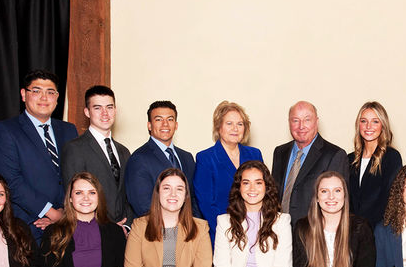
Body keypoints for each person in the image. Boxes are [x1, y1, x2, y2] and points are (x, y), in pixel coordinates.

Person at [0, 69, 78, 242]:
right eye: (36, 91)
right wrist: (51, 213)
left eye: (50, 92)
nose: (44, 98)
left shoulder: (69, 130)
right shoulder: (6, 130)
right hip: (29, 225)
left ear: (57, 97)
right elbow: (10, 181)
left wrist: (66, 213)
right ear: (24, 95)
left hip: (68, 223)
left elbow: (75, 175)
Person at [61, 85, 133, 228]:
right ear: (87, 112)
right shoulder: (74, 148)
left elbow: (128, 195)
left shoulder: (124, 152)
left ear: (115, 110)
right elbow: (74, 196)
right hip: (91, 230)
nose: (105, 113)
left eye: (109, 107)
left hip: (123, 233)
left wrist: (126, 225)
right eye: (97, 108)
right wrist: (107, 229)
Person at [194, 101, 263, 244]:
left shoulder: (255, 154)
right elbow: (206, 204)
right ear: (219, 127)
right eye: (229, 123)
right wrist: (229, 231)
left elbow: (264, 192)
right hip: (222, 233)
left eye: (240, 124)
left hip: (255, 232)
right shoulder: (205, 158)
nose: (235, 129)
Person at [273, 101, 349, 226]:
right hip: (279, 231)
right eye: (295, 120)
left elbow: (338, 203)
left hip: (313, 233)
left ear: (316, 122)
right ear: (289, 123)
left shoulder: (334, 155)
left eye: (307, 120)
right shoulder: (280, 152)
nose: (301, 126)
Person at [125, 101, 198, 218]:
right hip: (156, 230)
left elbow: (193, 198)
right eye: (158, 119)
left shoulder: (187, 158)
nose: (165, 124)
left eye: (170, 119)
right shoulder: (138, 159)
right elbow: (142, 205)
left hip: (188, 229)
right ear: (149, 125)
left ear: (176, 124)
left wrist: (193, 228)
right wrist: (171, 232)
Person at [347, 101, 402, 228]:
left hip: (379, 230)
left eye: (375, 121)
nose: (368, 126)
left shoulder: (391, 157)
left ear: (383, 125)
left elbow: (390, 200)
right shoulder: (350, 159)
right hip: (352, 231)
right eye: (364, 121)